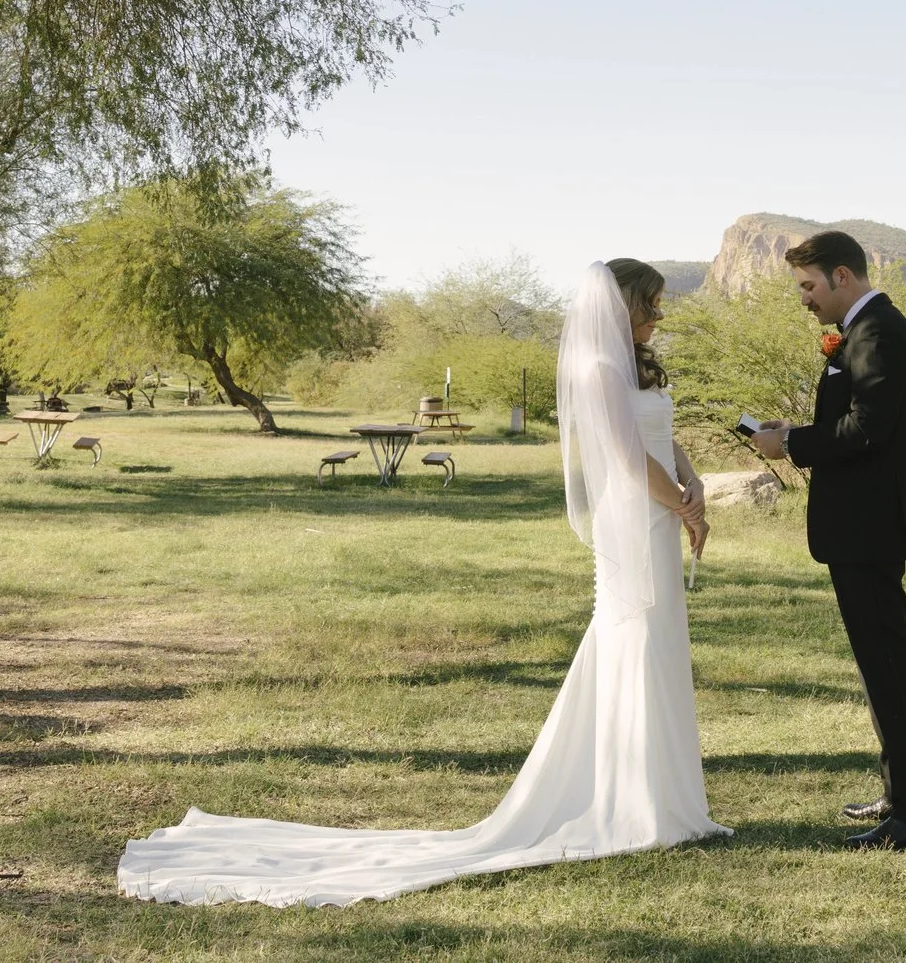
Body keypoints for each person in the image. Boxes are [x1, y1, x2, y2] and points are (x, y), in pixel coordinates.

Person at [118, 259, 726, 905]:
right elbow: (630, 459)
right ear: (623, 306)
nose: (659, 318)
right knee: (631, 639)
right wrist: (680, 503)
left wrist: (695, 483)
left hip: (660, 514)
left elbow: (661, 434)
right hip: (634, 520)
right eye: (652, 306)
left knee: (657, 644)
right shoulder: (598, 369)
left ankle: (666, 799)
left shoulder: (633, 364)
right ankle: (632, 801)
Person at [749, 230, 906, 849]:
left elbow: (867, 428)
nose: (804, 299)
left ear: (842, 277)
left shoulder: (879, 331)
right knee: (877, 668)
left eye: (808, 286)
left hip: (867, 528)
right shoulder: (861, 332)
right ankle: (899, 795)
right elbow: (855, 417)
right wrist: (798, 431)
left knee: (888, 668)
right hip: (857, 526)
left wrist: (794, 445)